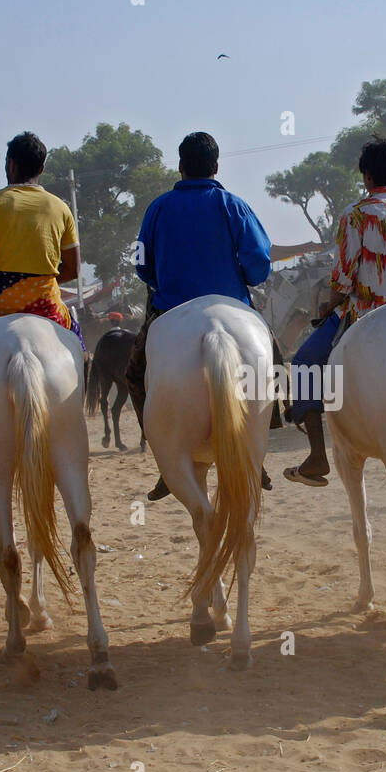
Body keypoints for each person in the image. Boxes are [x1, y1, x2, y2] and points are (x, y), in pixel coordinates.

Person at [283, 135, 386, 487]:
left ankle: (317, 455)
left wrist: (330, 303)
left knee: (305, 363)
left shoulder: (356, 215)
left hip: (368, 317)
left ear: (367, 177)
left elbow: (343, 280)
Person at [124, 131, 273, 499]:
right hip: (234, 305)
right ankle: (262, 446)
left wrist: (165, 280)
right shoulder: (233, 205)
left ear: (181, 165)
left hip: (169, 310)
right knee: (274, 360)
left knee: (135, 374)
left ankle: (164, 457)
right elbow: (259, 264)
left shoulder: (158, 207)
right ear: (216, 166)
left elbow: (142, 266)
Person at [0, 131, 82, 464]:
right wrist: (39, 279)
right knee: (80, 349)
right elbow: (73, 268)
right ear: (43, 166)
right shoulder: (60, 207)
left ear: (10, 165)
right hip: (48, 302)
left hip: (1, 300)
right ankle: (72, 420)